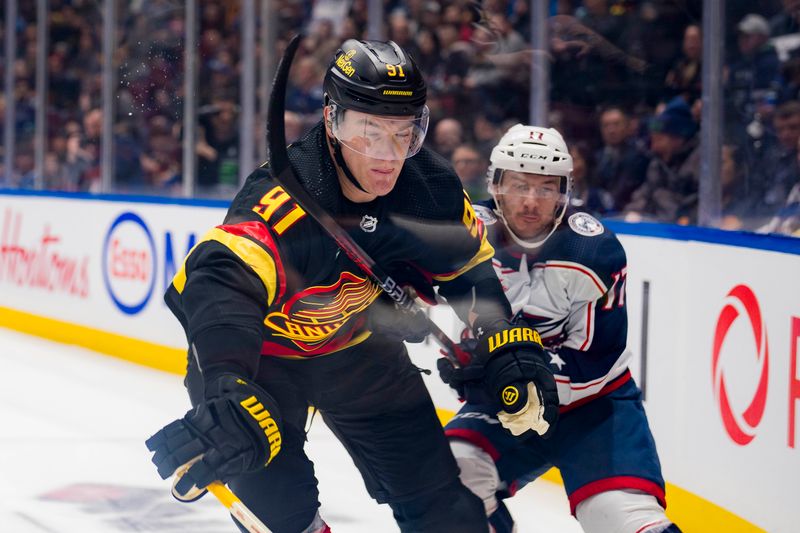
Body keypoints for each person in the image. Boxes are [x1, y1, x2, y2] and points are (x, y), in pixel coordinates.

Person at [145, 39, 558, 533]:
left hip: (358, 351)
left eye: (404, 133)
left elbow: (469, 274)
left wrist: (498, 337)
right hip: (262, 367)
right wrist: (224, 385)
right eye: (370, 132)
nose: (388, 156)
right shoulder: (284, 201)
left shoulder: (430, 190)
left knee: (446, 512)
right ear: (332, 121)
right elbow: (218, 280)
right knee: (286, 522)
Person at [440, 124, 681, 533]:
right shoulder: (466, 233)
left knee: (623, 520)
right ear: (496, 185)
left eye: (546, 188)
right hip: (507, 405)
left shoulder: (592, 251)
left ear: (564, 192)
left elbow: (593, 363)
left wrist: (494, 369)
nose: (532, 201)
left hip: (593, 409)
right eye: (519, 185)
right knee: (447, 479)